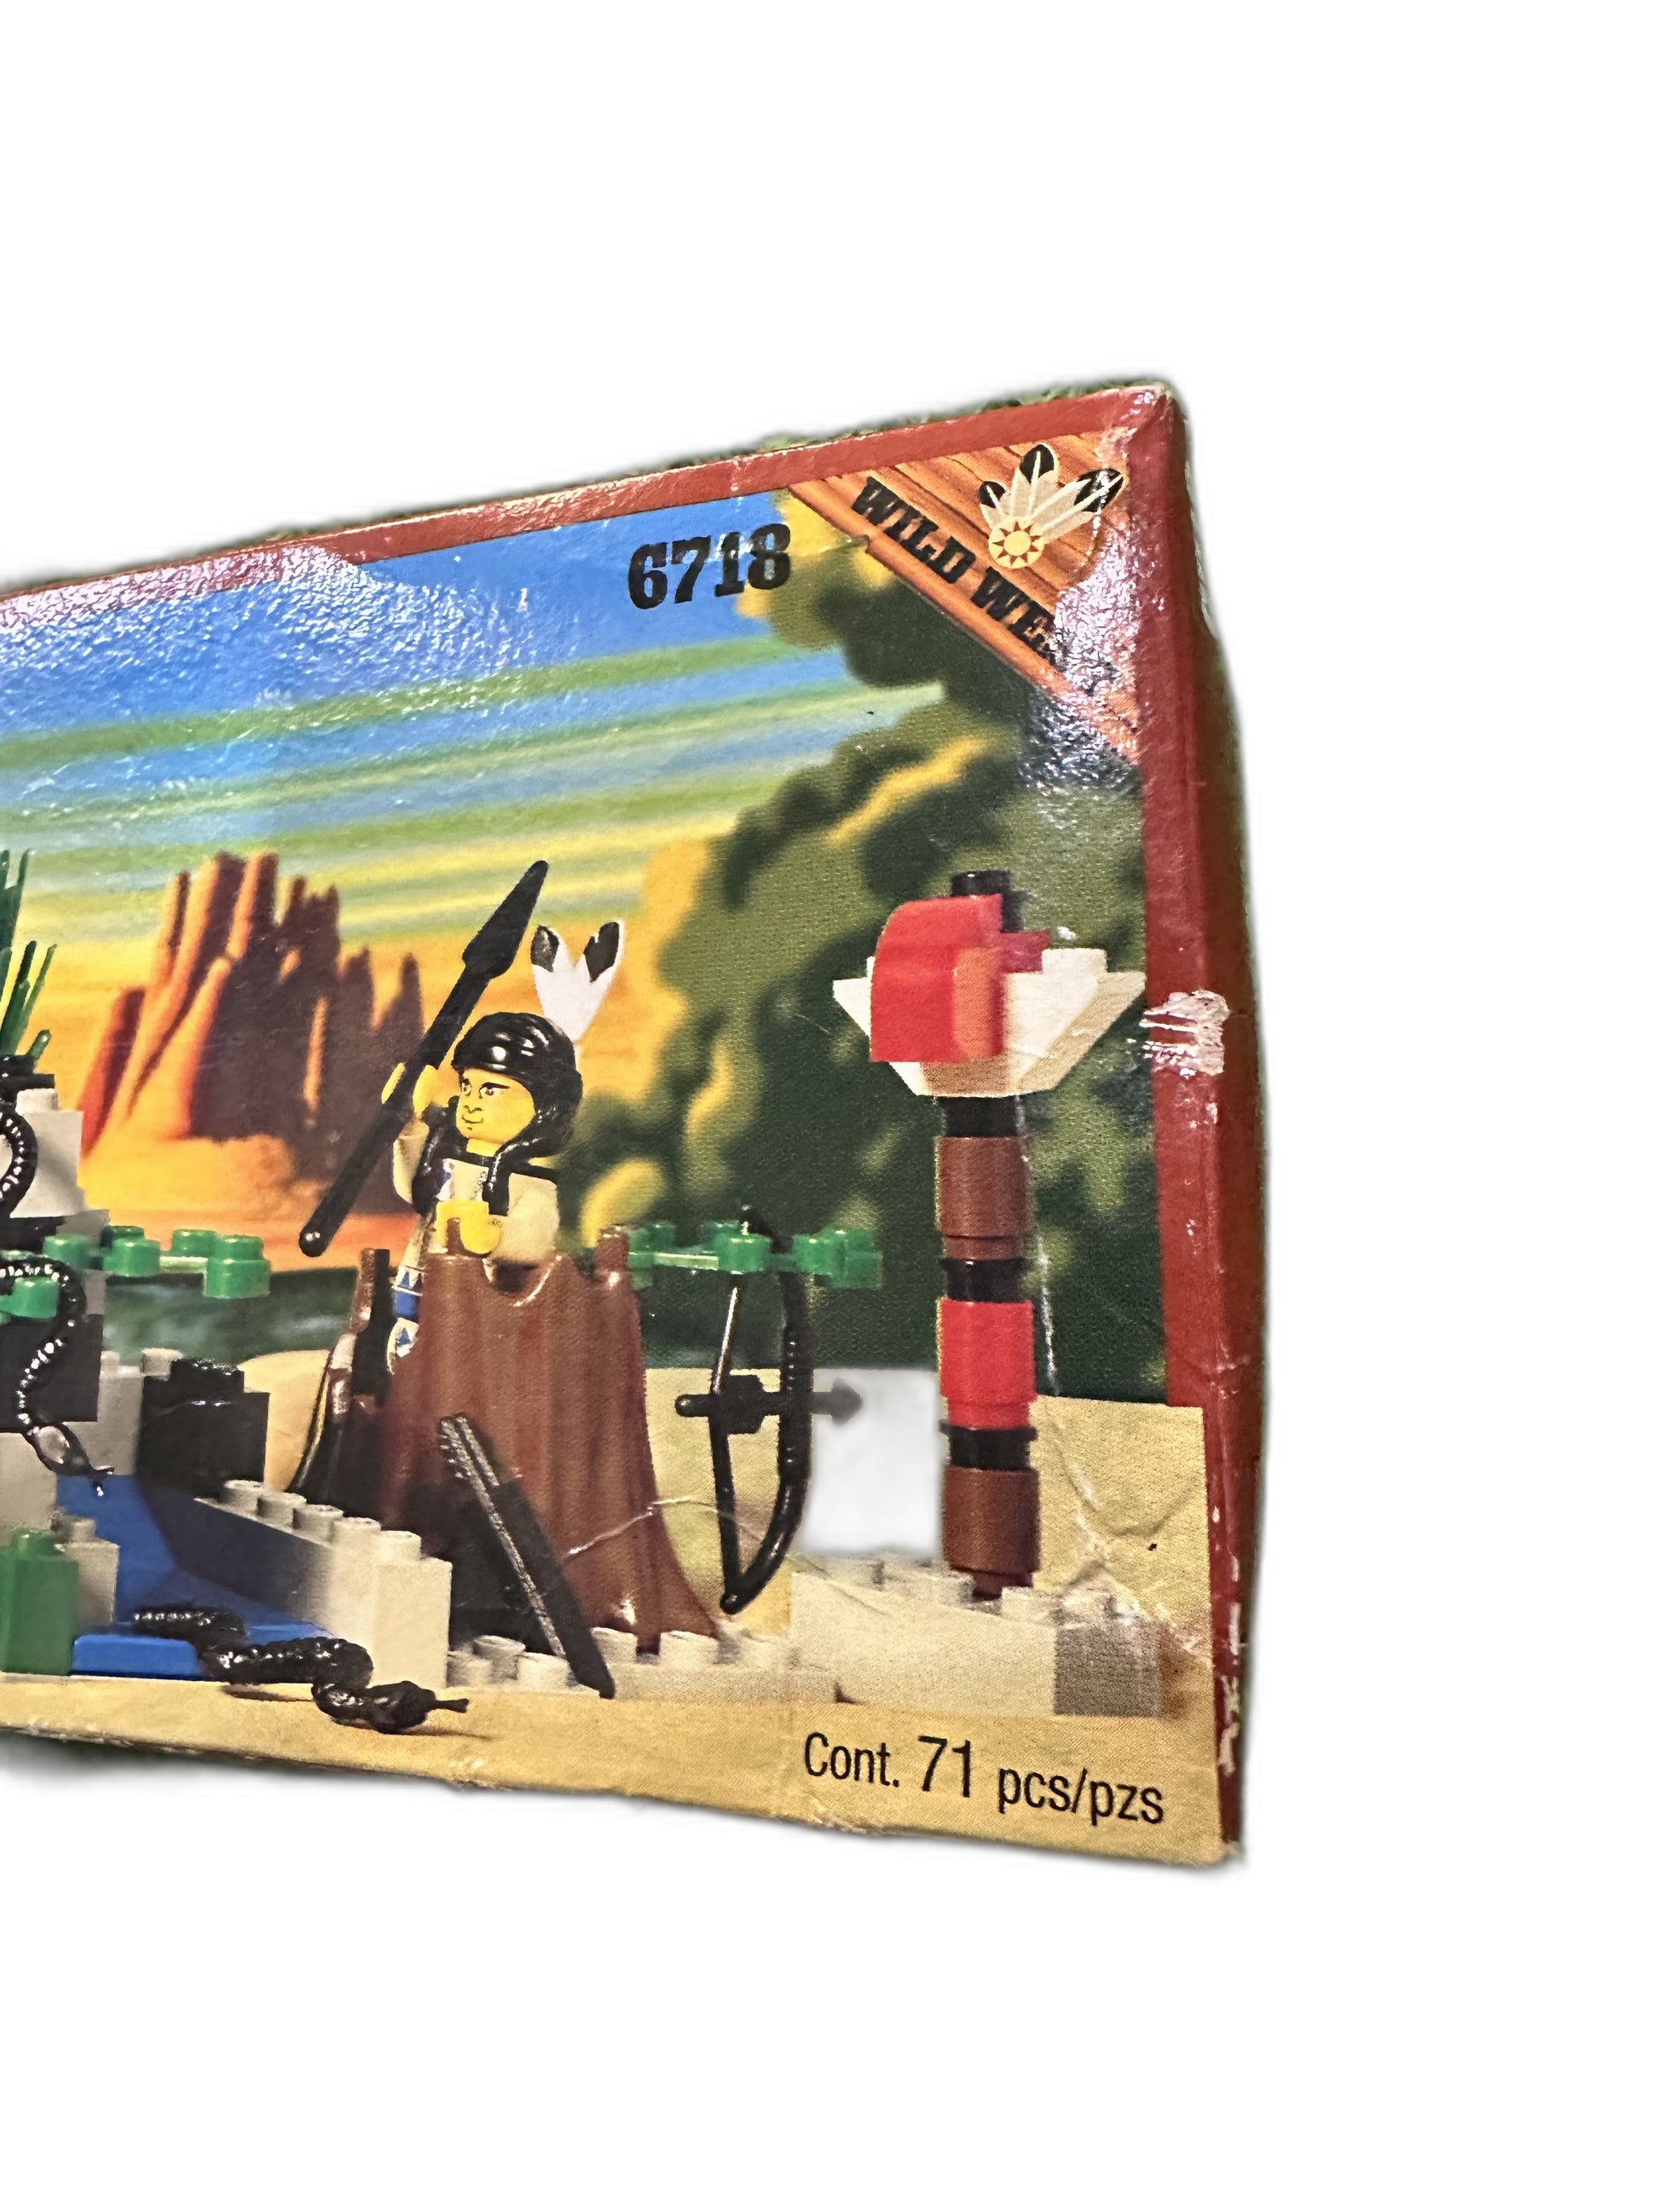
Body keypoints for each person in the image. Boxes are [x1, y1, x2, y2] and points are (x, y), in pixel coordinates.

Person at [385, 1011, 582, 1363]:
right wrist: (409, 1129)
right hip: (417, 1297)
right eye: (467, 1086)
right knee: (409, 1366)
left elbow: (533, 1237)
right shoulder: (447, 1157)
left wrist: (493, 1235)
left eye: (490, 1090)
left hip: (483, 1318)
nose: (471, 1102)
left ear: (543, 1105)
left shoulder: (530, 1183)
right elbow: (414, 1190)